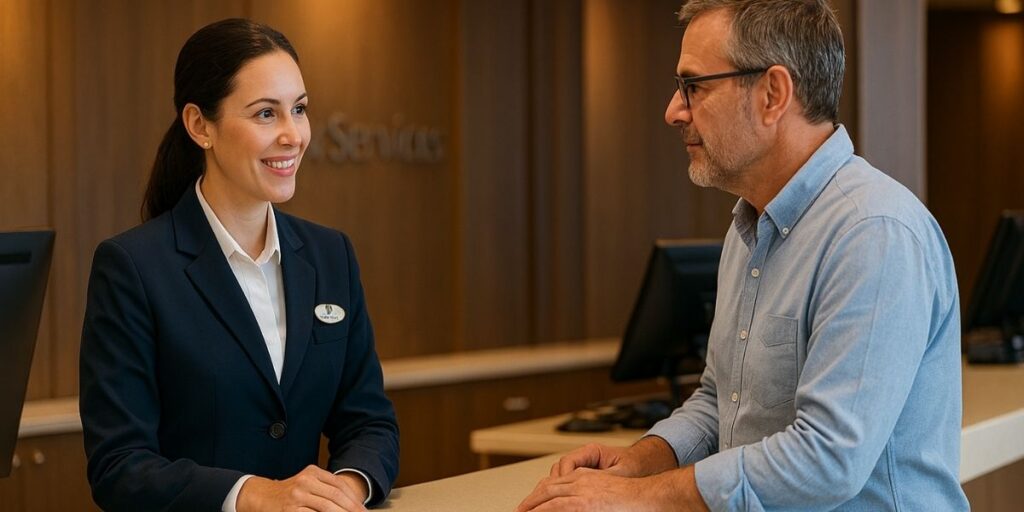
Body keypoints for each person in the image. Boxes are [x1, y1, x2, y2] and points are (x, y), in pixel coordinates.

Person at [517, 1, 968, 510]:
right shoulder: (749, 227)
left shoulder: (872, 232)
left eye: (694, 86)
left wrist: (641, 498)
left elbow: (827, 460)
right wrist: (643, 460)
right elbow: (721, 402)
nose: (673, 110)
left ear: (772, 94)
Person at [79, 18, 398, 512]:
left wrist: (348, 486)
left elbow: (369, 422)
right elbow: (120, 466)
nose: (293, 135)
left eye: (299, 109)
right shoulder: (133, 268)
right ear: (199, 125)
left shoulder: (331, 254)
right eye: (266, 114)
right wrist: (250, 494)